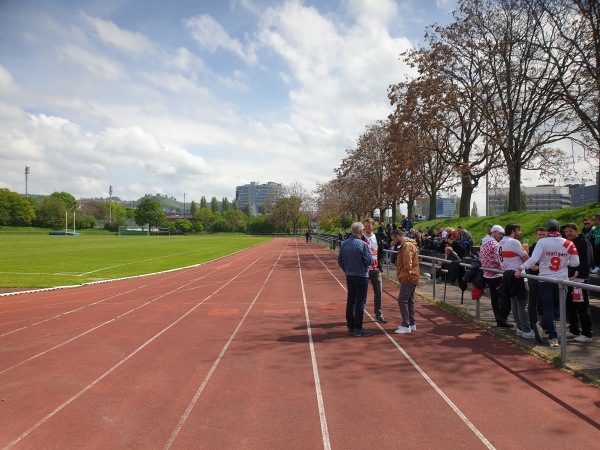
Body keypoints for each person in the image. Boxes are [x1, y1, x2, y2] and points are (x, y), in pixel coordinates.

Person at [515, 219, 579, 347]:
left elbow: (534, 259)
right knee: (558, 308)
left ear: (547, 229)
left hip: (545, 280)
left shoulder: (542, 242)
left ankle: (546, 328)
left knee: (549, 308)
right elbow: (575, 263)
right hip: (561, 280)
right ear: (559, 228)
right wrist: (564, 262)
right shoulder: (569, 243)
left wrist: (520, 268)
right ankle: (553, 335)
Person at [338, 222, 373, 337]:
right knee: (360, 302)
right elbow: (368, 261)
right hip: (361, 275)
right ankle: (358, 328)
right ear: (361, 231)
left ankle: (350, 326)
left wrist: (346, 269)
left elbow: (340, 260)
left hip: (350, 275)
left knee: (351, 300)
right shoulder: (363, 244)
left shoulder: (344, 244)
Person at [499, 224, 534, 339]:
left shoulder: (501, 242)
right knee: (523, 304)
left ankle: (519, 328)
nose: (521, 233)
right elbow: (526, 259)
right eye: (519, 231)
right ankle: (526, 330)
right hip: (518, 276)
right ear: (513, 231)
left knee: (514, 304)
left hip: (507, 275)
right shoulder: (514, 242)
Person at [563, 223, 594, 342]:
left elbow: (587, 260)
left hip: (579, 280)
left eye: (570, 231)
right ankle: (574, 329)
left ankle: (587, 333)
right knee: (570, 305)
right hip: (570, 279)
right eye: (566, 232)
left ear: (577, 231)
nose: (568, 234)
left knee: (582, 306)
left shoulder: (582, 242)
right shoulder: (571, 243)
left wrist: (578, 273)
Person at [479, 225, 512, 327]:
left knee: (494, 298)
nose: (501, 236)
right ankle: (501, 318)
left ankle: (499, 319)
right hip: (496, 274)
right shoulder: (494, 244)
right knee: (506, 298)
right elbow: (499, 259)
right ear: (493, 233)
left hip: (487, 274)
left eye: (502, 234)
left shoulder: (484, 242)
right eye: (499, 233)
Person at [391, 229, 420, 334]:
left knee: (402, 300)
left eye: (394, 239)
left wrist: (405, 276)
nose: (393, 242)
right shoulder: (407, 245)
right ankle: (411, 324)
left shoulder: (407, 246)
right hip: (411, 276)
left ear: (398, 236)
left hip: (409, 277)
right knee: (409, 300)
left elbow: (408, 263)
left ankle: (406, 325)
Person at [361, 218, 387, 324]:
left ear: (373, 226)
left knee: (379, 293)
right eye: (365, 226)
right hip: (364, 271)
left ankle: (379, 314)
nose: (367, 228)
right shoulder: (361, 238)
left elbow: (382, 252)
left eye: (369, 226)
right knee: (362, 293)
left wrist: (380, 265)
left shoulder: (378, 237)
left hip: (376, 270)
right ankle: (360, 314)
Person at [527, 227, 547, 343]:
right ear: (536, 236)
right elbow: (528, 260)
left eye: (544, 234)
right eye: (540, 234)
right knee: (532, 301)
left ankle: (546, 325)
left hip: (545, 277)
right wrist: (531, 266)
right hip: (534, 277)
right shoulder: (532, 247)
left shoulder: (550, 247)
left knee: (546, 302)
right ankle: (532, 324)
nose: (542, 236)